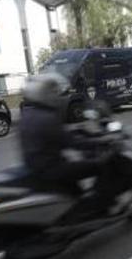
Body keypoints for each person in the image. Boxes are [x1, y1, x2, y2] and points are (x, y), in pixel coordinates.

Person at [20, 72, 119, 212]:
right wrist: (100, 141)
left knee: (75, 167)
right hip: (52, 169)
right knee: (101, 165)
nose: (57, 96)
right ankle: (103, 205)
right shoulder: (48, 117)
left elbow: (56, 137)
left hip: (35, 168)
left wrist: (77, 130)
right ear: (44, 94)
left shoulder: (28, 115)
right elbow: (72, 143)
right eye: (53, 92)